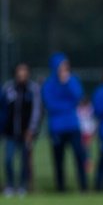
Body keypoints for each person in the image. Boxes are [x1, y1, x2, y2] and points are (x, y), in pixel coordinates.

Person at [42, 52, 88, 193]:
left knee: (79, 156)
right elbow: (50, 105)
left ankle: (83, 187)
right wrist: (68, 106)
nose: (64, 69)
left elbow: (78, 96)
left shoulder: (72, 81)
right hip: (57, 127)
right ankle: (60, 188)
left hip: (73, 125)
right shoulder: (48, 84)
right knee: (59, 160)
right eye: (61, 66)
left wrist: (67, 83)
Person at [2, 63, 40, 196]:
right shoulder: (8, 88)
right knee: (8, 159)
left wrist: (32, 129)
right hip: (10, 132)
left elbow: (36, 111)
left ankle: (23, 186)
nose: (22, 74)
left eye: (24, 71)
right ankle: (10, 185)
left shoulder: (33, 89)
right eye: (20, 71)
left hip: (26, 133)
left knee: (25, 160)